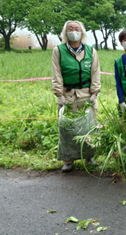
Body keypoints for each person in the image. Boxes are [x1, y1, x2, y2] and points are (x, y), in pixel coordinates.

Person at [52, 20, 101, 173]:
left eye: (76, 29)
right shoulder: (58, 51)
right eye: (70, 29)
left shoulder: (90, 51)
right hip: (67, 95)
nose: (73, 31)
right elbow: (57, 74)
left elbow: (95, 73)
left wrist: (94, 93)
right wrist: (59, 95)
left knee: (90, 127)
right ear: (65, 33)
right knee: (68, 128)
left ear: (82, 32)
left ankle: (90, 156)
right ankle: (68, 159)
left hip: (87, 94)